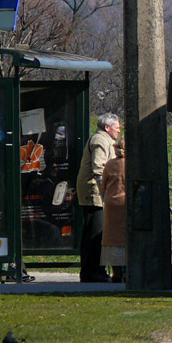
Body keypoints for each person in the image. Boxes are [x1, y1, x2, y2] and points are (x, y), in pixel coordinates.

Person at [76, 113, 120, 282]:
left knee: (96, 234)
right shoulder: (100, 141)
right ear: (107, 127)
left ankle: (96, 271)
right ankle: (91, 272)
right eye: (117, 126)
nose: (119, 129)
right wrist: (107, 191)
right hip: (94, 193)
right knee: (94, 234)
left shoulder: (105, 140)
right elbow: (98, 168)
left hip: (96, 193)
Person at [101, 136, 127, 284]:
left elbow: (103, 185)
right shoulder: (133, 164)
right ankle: (127, 272)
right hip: (127, 203)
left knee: (112, 239)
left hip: (111, 204)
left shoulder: (110, 164)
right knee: (126, 237)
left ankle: (116, 272)